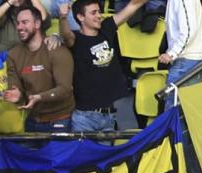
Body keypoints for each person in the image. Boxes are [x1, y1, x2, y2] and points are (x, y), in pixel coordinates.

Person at [59, 0, 146, 132]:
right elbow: (66, 35)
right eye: (93, 13)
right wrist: (63, 18)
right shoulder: (75, 39)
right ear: (81, 17)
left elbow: (133, 5)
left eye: (99, 11)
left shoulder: (106, 28)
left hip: (109, 115)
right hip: (84, 117)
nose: (99, 15)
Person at [4, 5, 74, 131]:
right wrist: (16, 94)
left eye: (25, 22)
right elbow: (16, 88)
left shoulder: (55, 49)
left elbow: (64, 90)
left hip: (59, 120)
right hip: (31, 120)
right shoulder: (13, 55)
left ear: (37, 24)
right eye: (18, 23)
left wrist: (39, 97)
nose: (19, 27)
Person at [159, 0, 202, 108]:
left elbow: (188, 31)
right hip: (188, 59)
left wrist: (171, 53)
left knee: (175, 108)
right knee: (185, 109)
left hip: (186, 60)